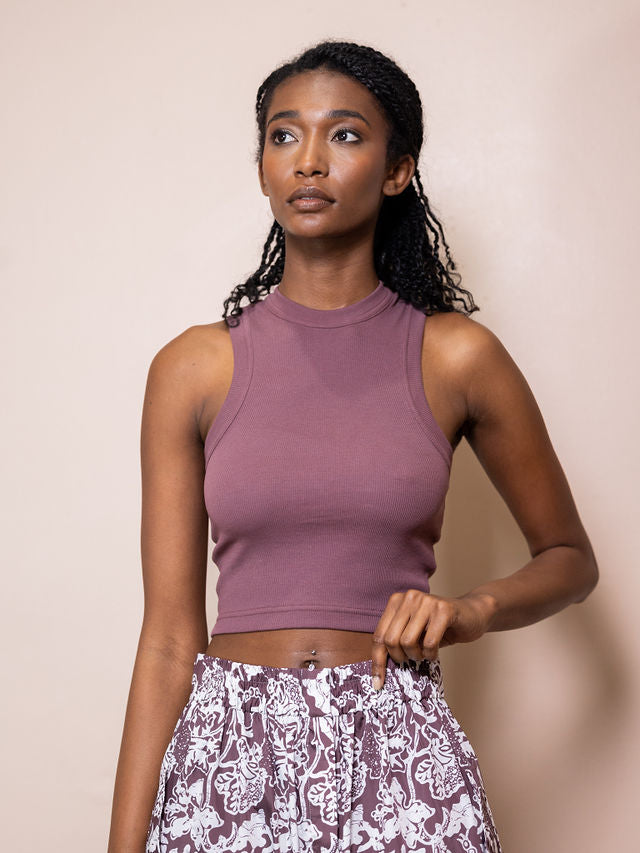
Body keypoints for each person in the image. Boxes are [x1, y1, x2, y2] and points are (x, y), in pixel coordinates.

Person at [107, 39, 599, 853]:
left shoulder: (455, 356)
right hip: (227, 754)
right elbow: (166, 638)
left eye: (343, 135)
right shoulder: (192, 366)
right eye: (283, 135)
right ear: (262, 165)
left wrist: (470, 610)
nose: (308, 161)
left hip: (397, 746)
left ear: (398, 169)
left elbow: (569, 558)